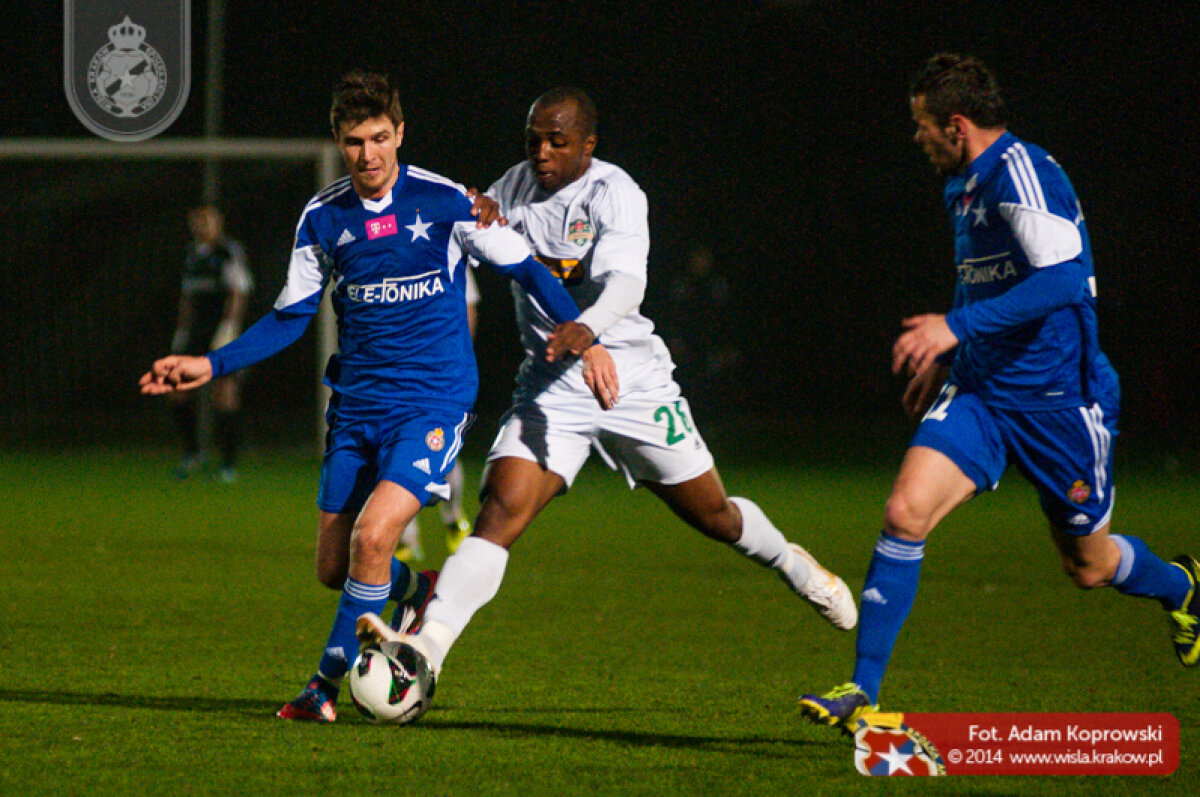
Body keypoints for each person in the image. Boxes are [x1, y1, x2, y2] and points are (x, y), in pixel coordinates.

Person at [139, 71, 609, 723]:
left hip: (433, 402)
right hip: (355, 407)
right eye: (355, 141)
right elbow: (289, 316)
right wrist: (208, 363)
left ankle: (321, 688)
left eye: (381, 138)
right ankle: (422, 591)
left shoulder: (448, 202)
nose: (369, 155)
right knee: (336, 568)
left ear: (400, 134)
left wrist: (587, 339)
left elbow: (526, 268)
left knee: (373, 536)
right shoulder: (323, 217)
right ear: (338, 141)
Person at [356, 87, 857, 689]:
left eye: (557, 141)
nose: (541, 152)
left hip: (633, 381)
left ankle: (793, 564)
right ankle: (427, 650)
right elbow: (450, 240)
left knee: (715, 516)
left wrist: (586, 332)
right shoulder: (509, 189)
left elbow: (628, 285)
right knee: (500, 511)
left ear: (588, 145)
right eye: (533, 139)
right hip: (551, 386)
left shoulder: (614, 194)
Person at [798, 53, 1199, 733]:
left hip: (1060, 404)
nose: (915, 137)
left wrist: (954, 326)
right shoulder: (963, 184)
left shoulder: (1024, 173)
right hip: (982, 393)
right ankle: (862, 689)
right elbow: (983, 280)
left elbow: (1064, 279)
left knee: (1089, 566)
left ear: (957, 125)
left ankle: (1181, 585)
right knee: (903, 511)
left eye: (922, 125)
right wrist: (948, 354)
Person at [396, 268, 479, 562]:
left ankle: (453, 515)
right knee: (394, 453)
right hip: (397, 372)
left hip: (441, 373)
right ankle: (405, 536)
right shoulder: (390, 251)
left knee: (441, 450)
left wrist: (458, 358)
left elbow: (468, 307)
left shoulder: (448, 250)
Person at [169, 205, 253, 482]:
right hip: (195, 333)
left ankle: (229, 463)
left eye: (208, 221)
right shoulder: (191, 254)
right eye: (198, 221)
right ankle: (192, 453)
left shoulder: (228, 251)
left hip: (222, 332)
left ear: (218, 224)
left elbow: (238, 292)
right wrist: (182, 332)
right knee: (178, 389)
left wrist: (229, 327)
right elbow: (187, 297)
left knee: (224, 393)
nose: (202, 226)